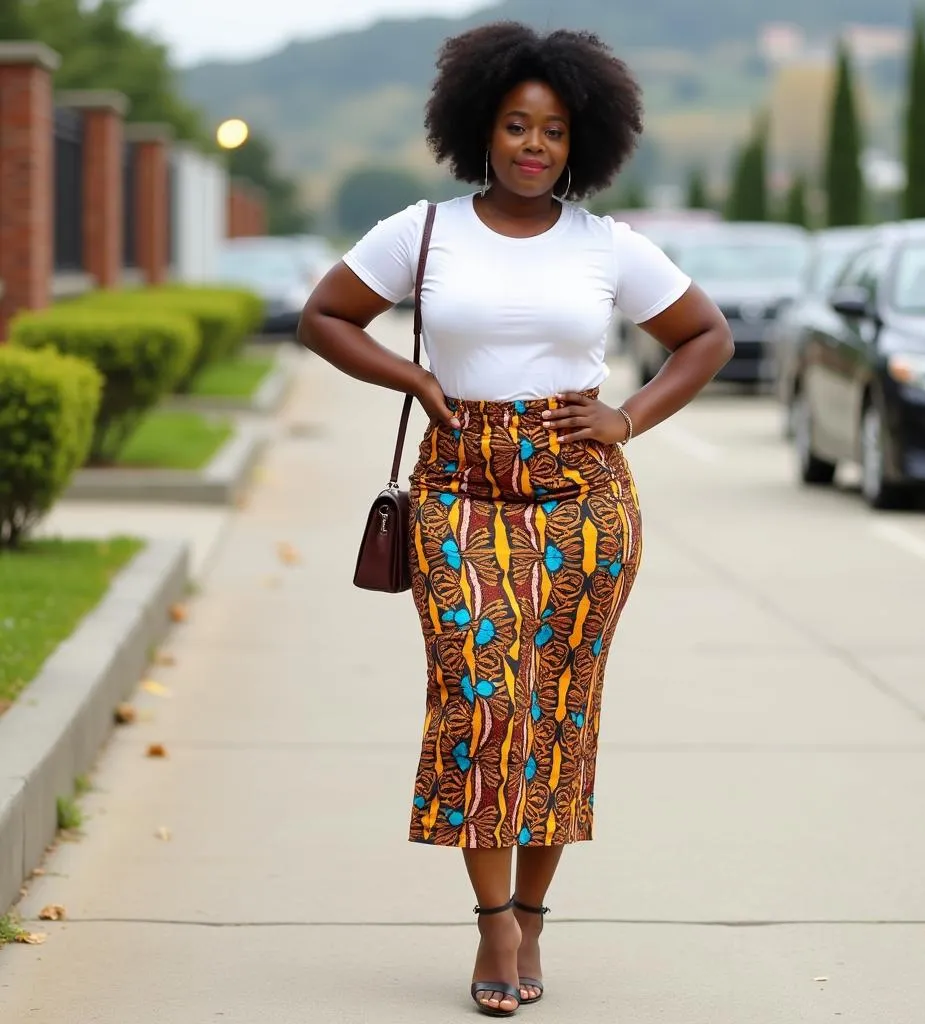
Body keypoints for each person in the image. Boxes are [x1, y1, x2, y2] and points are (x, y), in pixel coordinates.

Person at [298, 21, 733, 1018]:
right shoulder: (420, 232)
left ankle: (533, 910)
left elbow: (702, 336)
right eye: (514, 126)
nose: (533, 146)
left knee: (558, 711)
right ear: (477, 130)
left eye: (552, 131)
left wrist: (626, 415)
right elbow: (325, 315)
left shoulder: (608, 247)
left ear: (581, 142)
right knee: (482, 696)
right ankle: (494, 917)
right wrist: (409, 373)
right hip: (458, 488)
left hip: (584, 497)